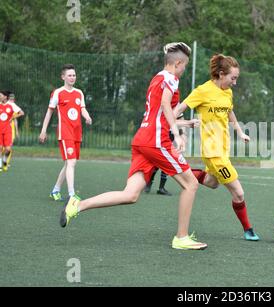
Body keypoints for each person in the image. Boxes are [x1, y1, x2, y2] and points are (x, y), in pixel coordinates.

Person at [59, 42, 208, 251]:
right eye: (185, 66)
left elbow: (161, 113)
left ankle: (78, 205)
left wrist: (184, 123)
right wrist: (176, 132)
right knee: (191, 184)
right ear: (178, 63)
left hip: (142, 139)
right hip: (155, 141)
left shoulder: (157, 78)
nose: (184, 70)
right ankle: (181, 237)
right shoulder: (172, 79)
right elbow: (166, 106)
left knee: (130, 194)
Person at [174, 54, 260, 241]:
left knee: (212, 183)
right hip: (212, 153)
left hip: (223, 150)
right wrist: (181, 126)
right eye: (233, 78)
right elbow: (176, 111)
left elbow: (229, 111)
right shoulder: (202, 91)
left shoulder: (227, 91)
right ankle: (248, 230)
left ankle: (179, 171)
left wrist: (239, 131)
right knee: (238, 192)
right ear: (221, 74)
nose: (235, 82)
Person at [39, 64, 93, 201]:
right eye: (69, 75)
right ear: (63, 77)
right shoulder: (58, 93)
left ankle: (55, 190)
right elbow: (49, 111)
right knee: (72, 162)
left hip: (77, 132)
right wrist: (44, 130)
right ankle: (71, 195)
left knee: (69, 163)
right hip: (65, 132)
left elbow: (82, 108)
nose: (72, 77)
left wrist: (87, 116)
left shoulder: (79, 93)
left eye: (74, 75)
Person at [0, 90, 24, 172]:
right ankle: (0, 165)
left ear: (5, 97)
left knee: (8, 149)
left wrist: (13, 117)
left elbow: (21, 113)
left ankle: (4, 160)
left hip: (7, 130)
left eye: (1, 95)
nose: (0, 96)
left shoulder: (11, 105)